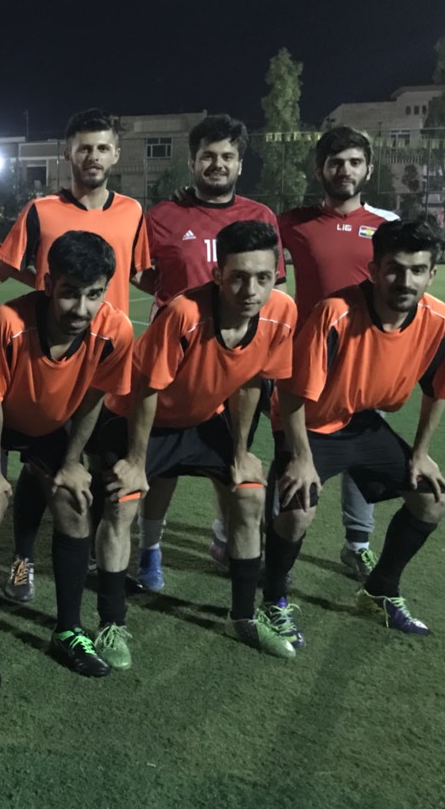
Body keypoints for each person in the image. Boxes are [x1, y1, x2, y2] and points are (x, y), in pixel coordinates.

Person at [91, 221, 298, 668]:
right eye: (239, 277)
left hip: (203, 419)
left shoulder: (282, 312)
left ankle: (244, 616)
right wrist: (136, 462)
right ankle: (111, 623)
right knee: (122, 503)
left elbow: (251, 381)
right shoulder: (184, 313)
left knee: (249, 496)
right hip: (138, 418)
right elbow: (146, 389)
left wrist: (241, 452)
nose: (251, 290)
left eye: (263, 278)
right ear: (218, 274)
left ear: (275, 275)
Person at [262, 219, 445, 647]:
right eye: (395, 269)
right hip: (308, 424)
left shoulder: (440, 320)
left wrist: (421, 453)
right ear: (374, 270)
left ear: (432, 274)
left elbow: (438, 390)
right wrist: (301, 458)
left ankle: (380, 590)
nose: (405, 281)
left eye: (417, 270)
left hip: (361, 421)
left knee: (431, 499)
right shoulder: (336, 312)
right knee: (298, 510)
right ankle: (272, 600)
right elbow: (290, 394)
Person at [0, 108, 150, 603]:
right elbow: (6, 267)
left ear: (116, 154)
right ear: (68, 153)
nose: (93, 156)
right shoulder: (41, 210)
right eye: (84, 147)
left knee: (99, 470)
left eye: (103, 147)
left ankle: (92, 558)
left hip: (105, 360)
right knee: (40, 466)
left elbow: (143, 274)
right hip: (47, 360)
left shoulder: (132, 211)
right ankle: (22, 557)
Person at [0, 231, 134, 685]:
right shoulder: (8, 322)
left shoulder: (115, 330)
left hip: (53, 423)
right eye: (70, 293)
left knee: (74, 502)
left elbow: (94, 398)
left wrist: (73, 462)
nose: (81, 307)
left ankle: (68, 630)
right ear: (47, 284)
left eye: (94, 294)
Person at [130, 114, 286, 591]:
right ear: (193, 161)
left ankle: (224, 537)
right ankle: (150, 550)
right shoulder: (162, 216)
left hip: (239, 358)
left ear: (239, 163)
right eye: (208, 156)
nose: (217, 164)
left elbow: (274, 283)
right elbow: (142, 274)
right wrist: (175, 305)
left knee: (232, 456)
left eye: (227, 157)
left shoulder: (261, 216)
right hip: (177, 355)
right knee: (166, 464)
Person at [270, 126, 397, 580]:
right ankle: (275, 541)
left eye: (354, 162)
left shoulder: (387, 226)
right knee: (292, 449)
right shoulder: (291, 223)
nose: (345, 170)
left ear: (368, 169)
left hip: (367, 357)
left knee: (361, 449)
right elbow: (243, 238)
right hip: (306, 359)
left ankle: (357, 544)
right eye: (335, 162)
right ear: (319, 170)